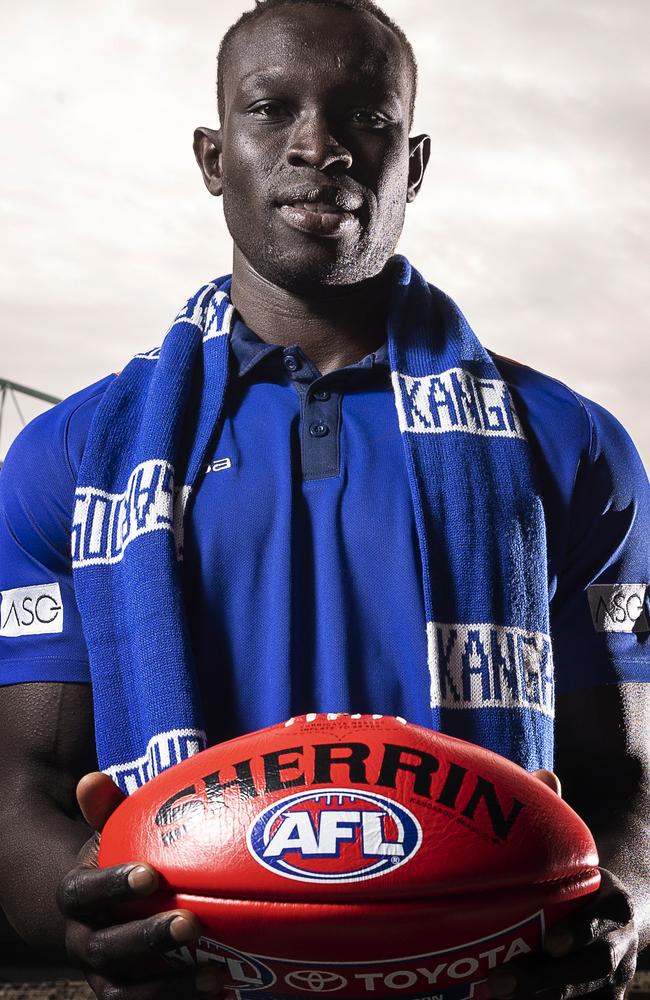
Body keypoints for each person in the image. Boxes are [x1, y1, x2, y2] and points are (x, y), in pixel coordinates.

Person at [0, 1, 648, 998]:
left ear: (413, 162)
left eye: (366, 118)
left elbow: (624, 785)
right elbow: (22, 788)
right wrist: (80, 906)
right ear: (213, 158)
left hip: (477, 970)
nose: (320, 146)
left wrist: (624, 898)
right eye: (271, 111)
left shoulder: (570, 446)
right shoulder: (70, 458)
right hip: (204, 970)